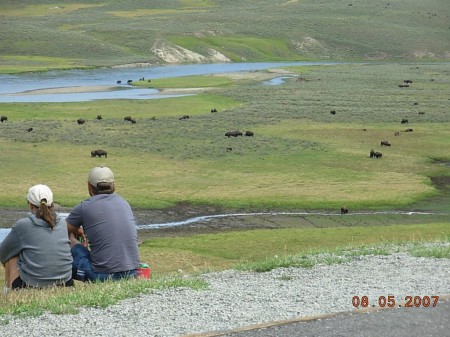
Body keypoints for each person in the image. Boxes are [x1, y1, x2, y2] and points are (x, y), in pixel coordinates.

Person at [66, 166, 140, 282]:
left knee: (68, 237)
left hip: (102, 275)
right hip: (133, 272)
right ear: (113, 185)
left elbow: (59, 231)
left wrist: (73, 233)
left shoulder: (84, 207)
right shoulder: (124, 203)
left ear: (89, 186)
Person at [0, 184, 74, 290]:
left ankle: (9, 292)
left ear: (30, 204)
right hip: (65, 282)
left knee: (11, 256)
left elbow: (3, 252)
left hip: (33, 285)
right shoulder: (62, 222)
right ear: (52, 204)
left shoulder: (22, 225)